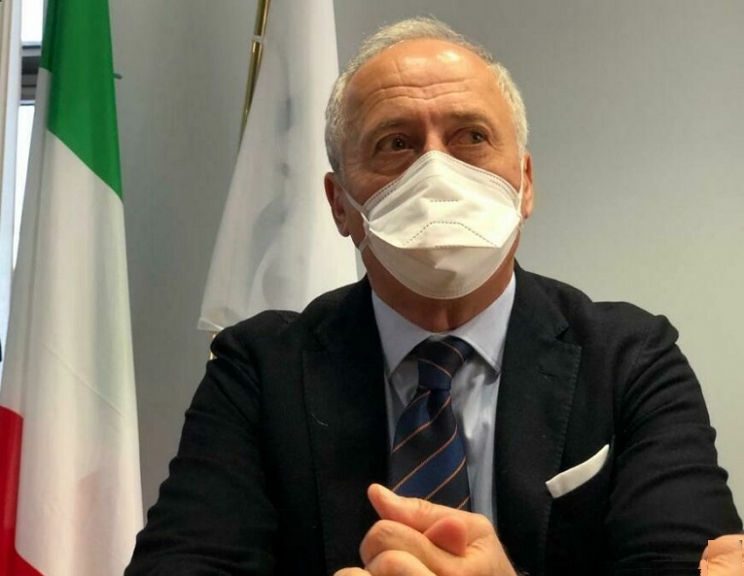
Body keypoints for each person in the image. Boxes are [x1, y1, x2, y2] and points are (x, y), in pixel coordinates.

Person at [125, 17, 741, 576]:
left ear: (525, 184)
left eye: (471, 136)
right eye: (396, 143)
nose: (437, 174)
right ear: (340, 205)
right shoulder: (260, 370)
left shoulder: (630, 359)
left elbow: (687, 562)